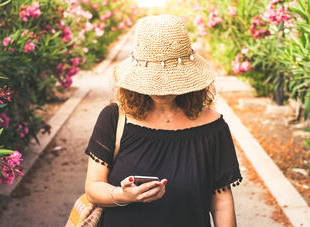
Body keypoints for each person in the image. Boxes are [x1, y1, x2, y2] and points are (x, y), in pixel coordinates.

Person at [84, 15, 242, 227]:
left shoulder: (213, 128)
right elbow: (93, 187)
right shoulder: (114, 118)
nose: (162, 90)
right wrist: (123, 196)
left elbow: (221, 200)